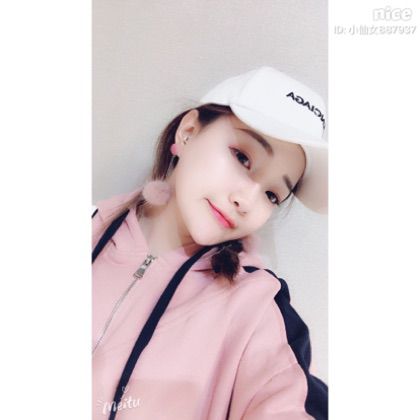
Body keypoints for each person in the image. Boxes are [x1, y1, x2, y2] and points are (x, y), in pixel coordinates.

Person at [92, 66, 328, 420]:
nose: (247, 200)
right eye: (243, 157)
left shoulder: (259, 309)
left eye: (271, 195)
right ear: (188, 132)